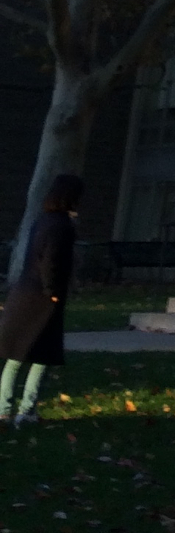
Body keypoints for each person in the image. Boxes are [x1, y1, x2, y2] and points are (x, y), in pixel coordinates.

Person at [0, 173, 84, 426]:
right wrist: (53, 292)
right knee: (41, 358)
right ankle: (27, 411)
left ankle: (3, 409)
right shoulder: (61, 226)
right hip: (43, 298)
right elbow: (52, 262)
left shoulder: (42, 221)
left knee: (15, 357)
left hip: (24, 294)